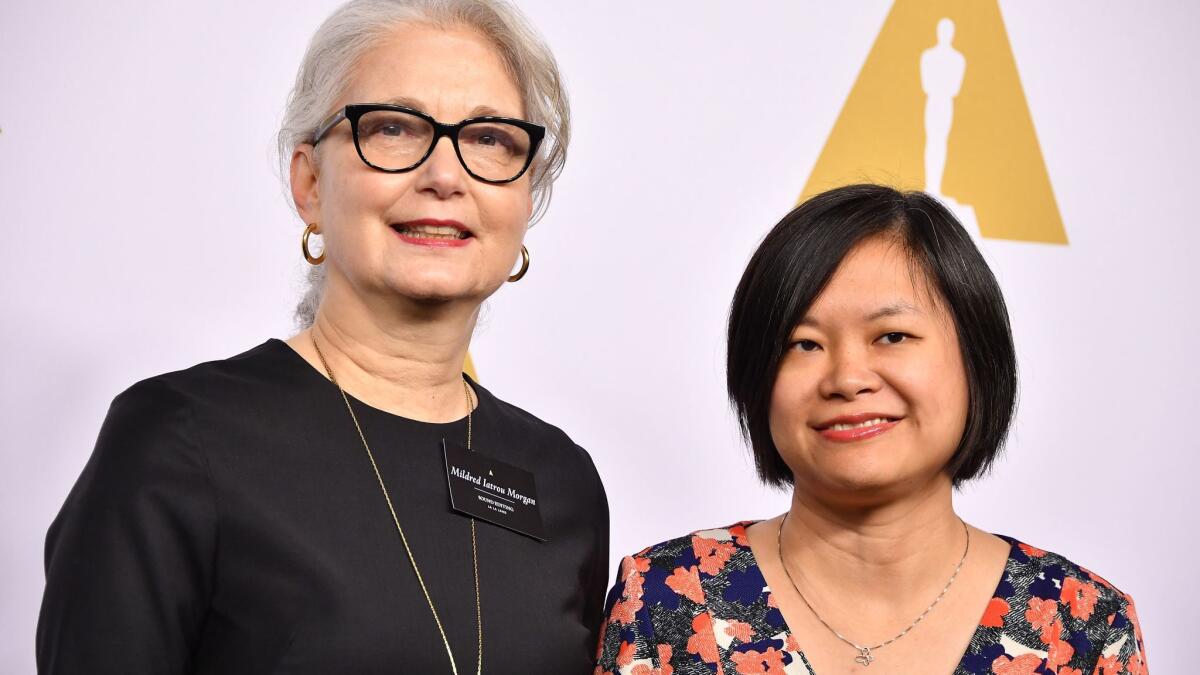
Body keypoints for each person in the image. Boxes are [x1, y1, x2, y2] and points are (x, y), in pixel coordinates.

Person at [37, 1, 608, 672]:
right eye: (394, 128)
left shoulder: (562, 480)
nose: (446, 176)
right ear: (309, 182)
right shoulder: (177, 441)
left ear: (525, 194)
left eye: (490, 139)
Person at [594, 185, 1147, 674]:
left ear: (977, 359)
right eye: (803, 344)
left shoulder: (1083, 624)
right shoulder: (665, 598)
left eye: (892, 336)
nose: (847, 379)